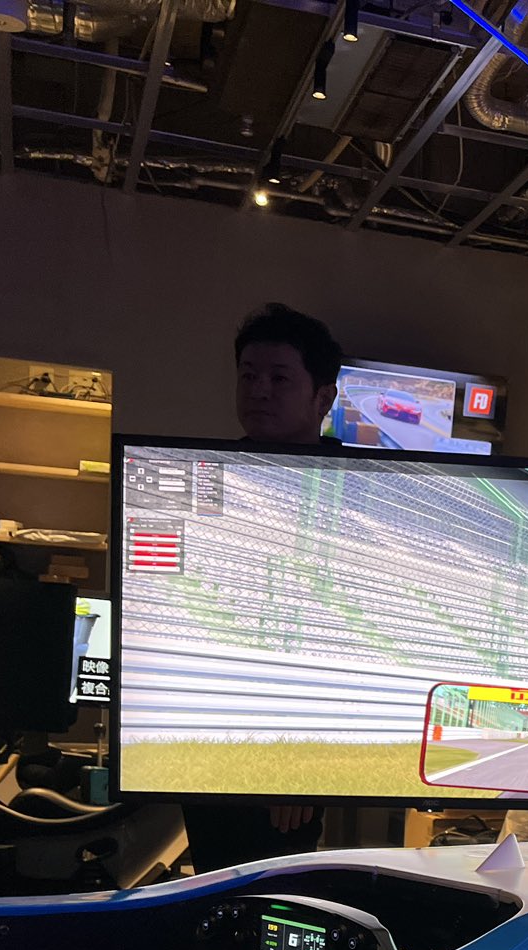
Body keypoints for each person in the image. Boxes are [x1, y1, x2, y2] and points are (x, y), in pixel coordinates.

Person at [180, 303, 345, 872]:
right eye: (248, 375)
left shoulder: (357, 490)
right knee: (210, 881)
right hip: (209, 722)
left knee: (273, 887)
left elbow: (341, 633)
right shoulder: (212, 475)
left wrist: (298, 758)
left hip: (298, 734)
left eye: (279, 378)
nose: (259, 391)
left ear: (323, 398)